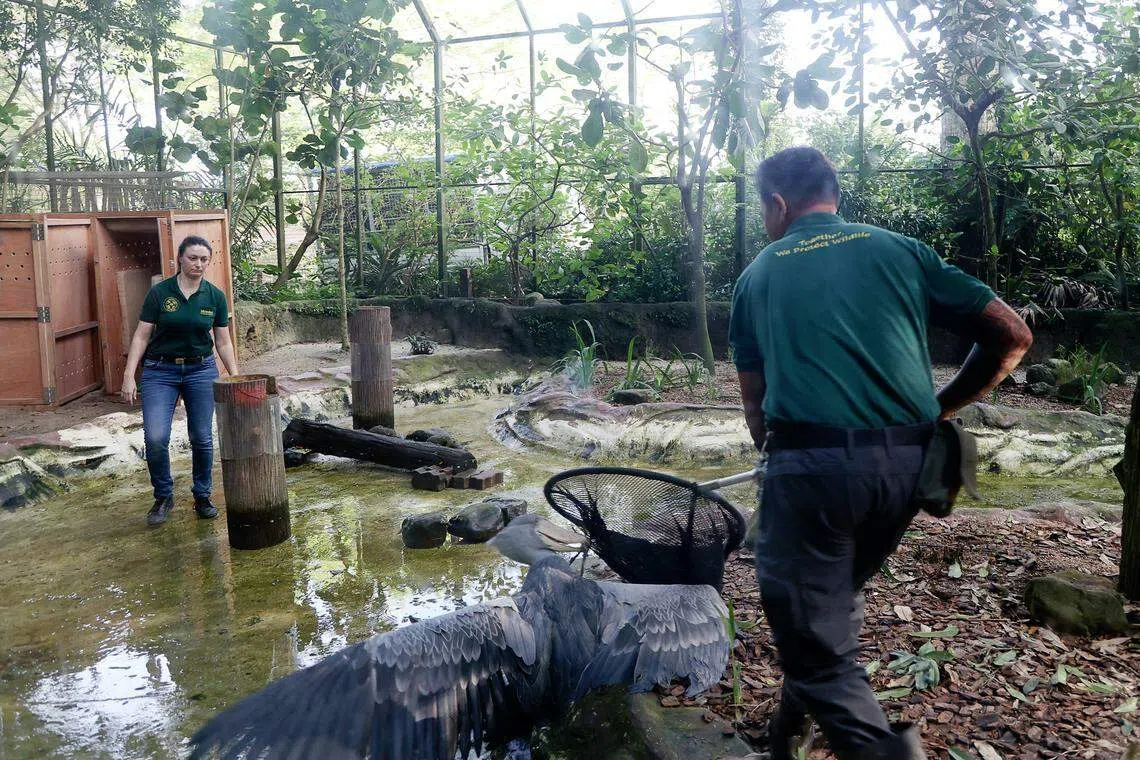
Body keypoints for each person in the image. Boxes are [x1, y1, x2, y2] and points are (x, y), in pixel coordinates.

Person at [728, 147, 1032, 760]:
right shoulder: (901, 250)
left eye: (763, 210)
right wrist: (942, 406)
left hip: (813, 471)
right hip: (908, 472)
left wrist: (781, 469)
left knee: (812, 635)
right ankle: (784, 739)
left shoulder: (757, 276)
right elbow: (1013, 333)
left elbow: (756, 410)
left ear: (778, 205)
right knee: (824, 604)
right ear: (832, 195)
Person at [121, 235, 240, 527]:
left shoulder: (215, 296)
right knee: (155, 438)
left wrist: (236, 376)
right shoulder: (160, 293)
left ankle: (202, 495)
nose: (198, 264)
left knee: (201, 437)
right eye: (193, 258)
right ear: (180, 259)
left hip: (201, 370)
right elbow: (141, 335)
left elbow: (223, 342)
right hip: (160, 371)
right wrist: (129, 375)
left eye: (204, 259)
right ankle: (163, 496)